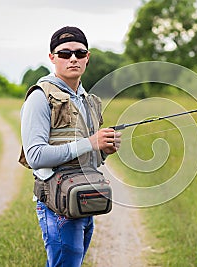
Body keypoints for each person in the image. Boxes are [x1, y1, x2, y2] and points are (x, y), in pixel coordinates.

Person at [20, 26, 121, 267]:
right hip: (57, 204)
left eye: (79, 52)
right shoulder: (39, 97)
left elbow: (91, 158)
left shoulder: (88, 100)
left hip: (83, 197)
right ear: (52, 58)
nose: (72, 58)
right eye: (64, 53)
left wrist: (103, 150)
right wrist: (90, 142)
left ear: (87, 58)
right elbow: (35, 156)